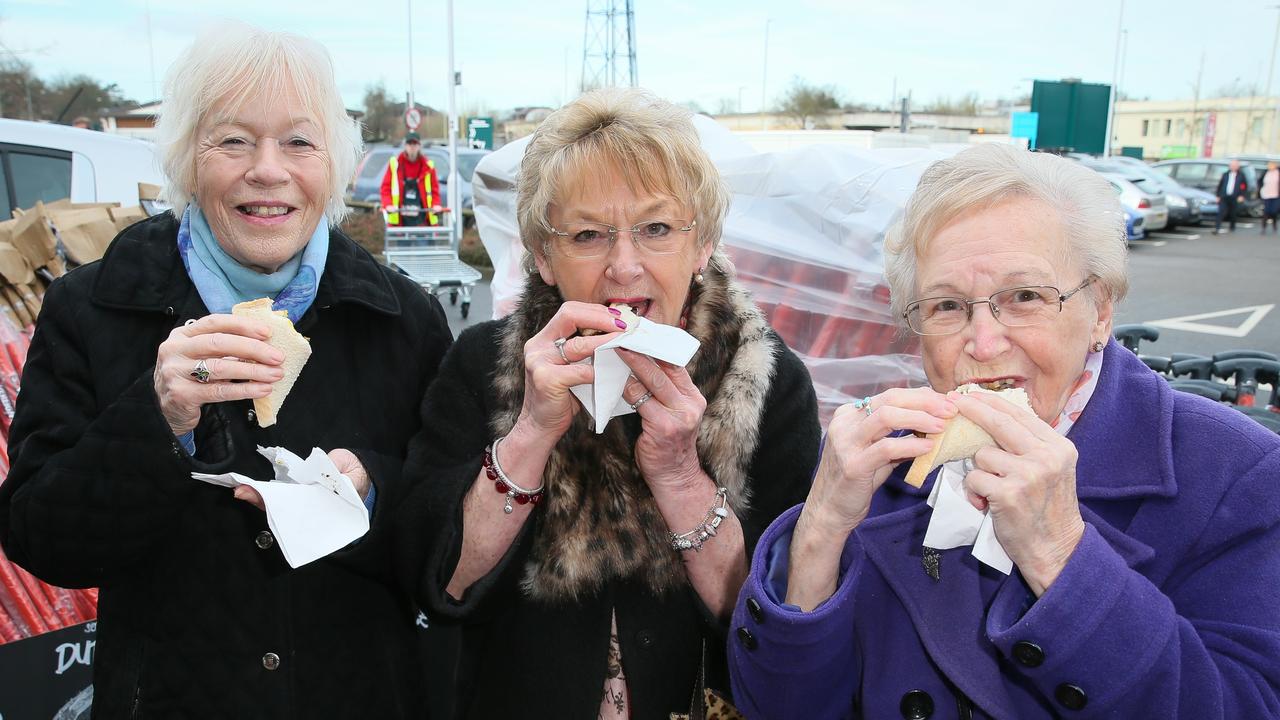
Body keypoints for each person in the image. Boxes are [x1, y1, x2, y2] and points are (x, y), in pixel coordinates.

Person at [729, 144, 1280, 718]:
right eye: (946, 306)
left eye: (1024, 297)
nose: (984, 342)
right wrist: (820, 528)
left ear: (1100, 311)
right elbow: (777, 704)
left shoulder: (1239, 475)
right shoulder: (880, 462)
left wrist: (1062, 554)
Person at [0, 24, 452, 717]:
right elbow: (42, 540)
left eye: (299, 142)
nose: (268, 170)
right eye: (233, 140)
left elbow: (446, 545)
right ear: (187, 159)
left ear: (332, 163)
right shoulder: (91, 307)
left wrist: (368, 493)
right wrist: (157, 419)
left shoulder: (403, 319)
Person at [398, 87, 821, 718]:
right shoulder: (483, 365)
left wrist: (680, 473)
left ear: (701, 243)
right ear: (543, 256)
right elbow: (443, 585)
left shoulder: (764, 379)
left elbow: (779, 617)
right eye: (589, 235)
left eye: (656, 229)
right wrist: (532, 432)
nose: (624, 267)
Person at [381, 131, 443, 226]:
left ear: (419, 146)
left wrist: (436, 205)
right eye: (409, 143)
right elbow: (385, 188)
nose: (412, 147)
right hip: (400, 222)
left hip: (423, 221)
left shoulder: (428, 166)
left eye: (415, 144)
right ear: (405, 145)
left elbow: (435, 190)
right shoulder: (395, 164)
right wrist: (388, 204)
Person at [1215, 159, 1248, 234]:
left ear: (1238, 167)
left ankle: (1232, 226)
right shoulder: (1225, 174)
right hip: (1224, 196)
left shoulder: (1241, 175)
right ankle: (1217, 227)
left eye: (1234, 165)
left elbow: (1244, 186)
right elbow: (1220, 185)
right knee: (1221, 211)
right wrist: (1218, 195)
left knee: (1233, 213)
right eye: (1231, 165)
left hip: (1235, 197)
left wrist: (1242, 195)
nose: (1233, 167)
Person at [1261, 161, 1279, 234]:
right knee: (1266, 211)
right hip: (1266, 195)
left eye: (1272, 165)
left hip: (1276, 195)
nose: (1270, 167)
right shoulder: (1265, 173)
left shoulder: (1278, 173)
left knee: (1274, 211)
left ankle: (1274, 224)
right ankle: (1264, 228)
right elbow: (1260, 181)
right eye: (1269, 165)